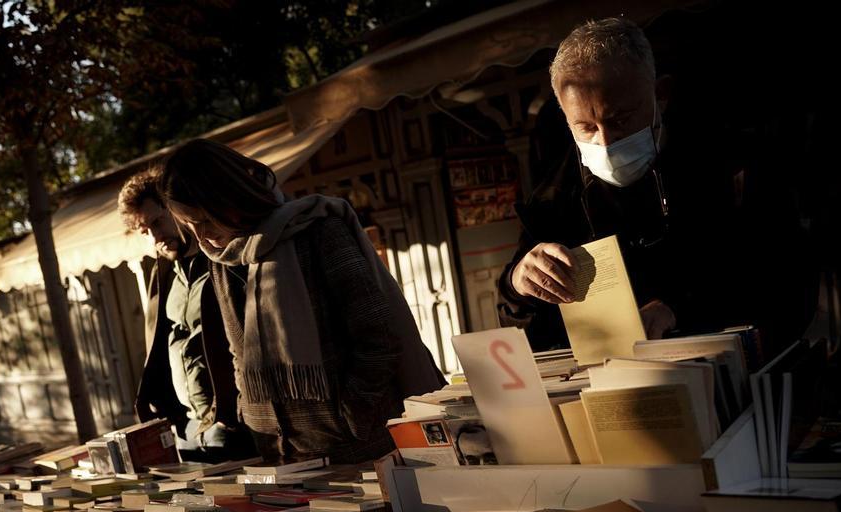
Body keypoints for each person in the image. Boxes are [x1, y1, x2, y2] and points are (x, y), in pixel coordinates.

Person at [498, 17, 807, 354]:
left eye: (620, 119)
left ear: (660, 95)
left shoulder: (734, 166)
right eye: (586, 127)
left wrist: (681, 310)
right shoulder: (554, 199)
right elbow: (529, 335)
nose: (606, 141)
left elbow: (791, 290)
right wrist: (518, 286)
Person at [157, 139, 445, 464]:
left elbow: (378, 334)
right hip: (280, 456)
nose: (201, 236)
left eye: (206, 220)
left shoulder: (316, 231)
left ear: (230, 196)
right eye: (189, 226)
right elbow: (238, 350)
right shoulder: (221, 259)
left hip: (354, 447)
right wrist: (252, 415)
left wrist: (352, 412)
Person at [118, 168, 253, 461]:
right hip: (188, 427)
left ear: (177, 210)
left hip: (236, 423)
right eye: (145, 231)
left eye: (158, 222)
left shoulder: (224, 259)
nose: (155, 236)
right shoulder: (163, 274)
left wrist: (236, 413)